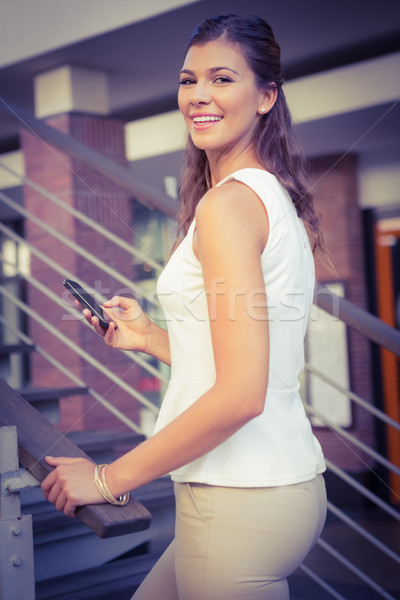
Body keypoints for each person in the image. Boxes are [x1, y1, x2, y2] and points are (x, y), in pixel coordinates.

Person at [42, 14, 328, 599]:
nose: (198, 95)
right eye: (188, 80)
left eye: (222, 79)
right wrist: (151, 338)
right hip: (265, 496)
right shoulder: (271, 197)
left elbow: (242, 395)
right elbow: (250, 365)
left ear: (266, 95)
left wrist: (107, 478)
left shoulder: (229, 205)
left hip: (237, 504)